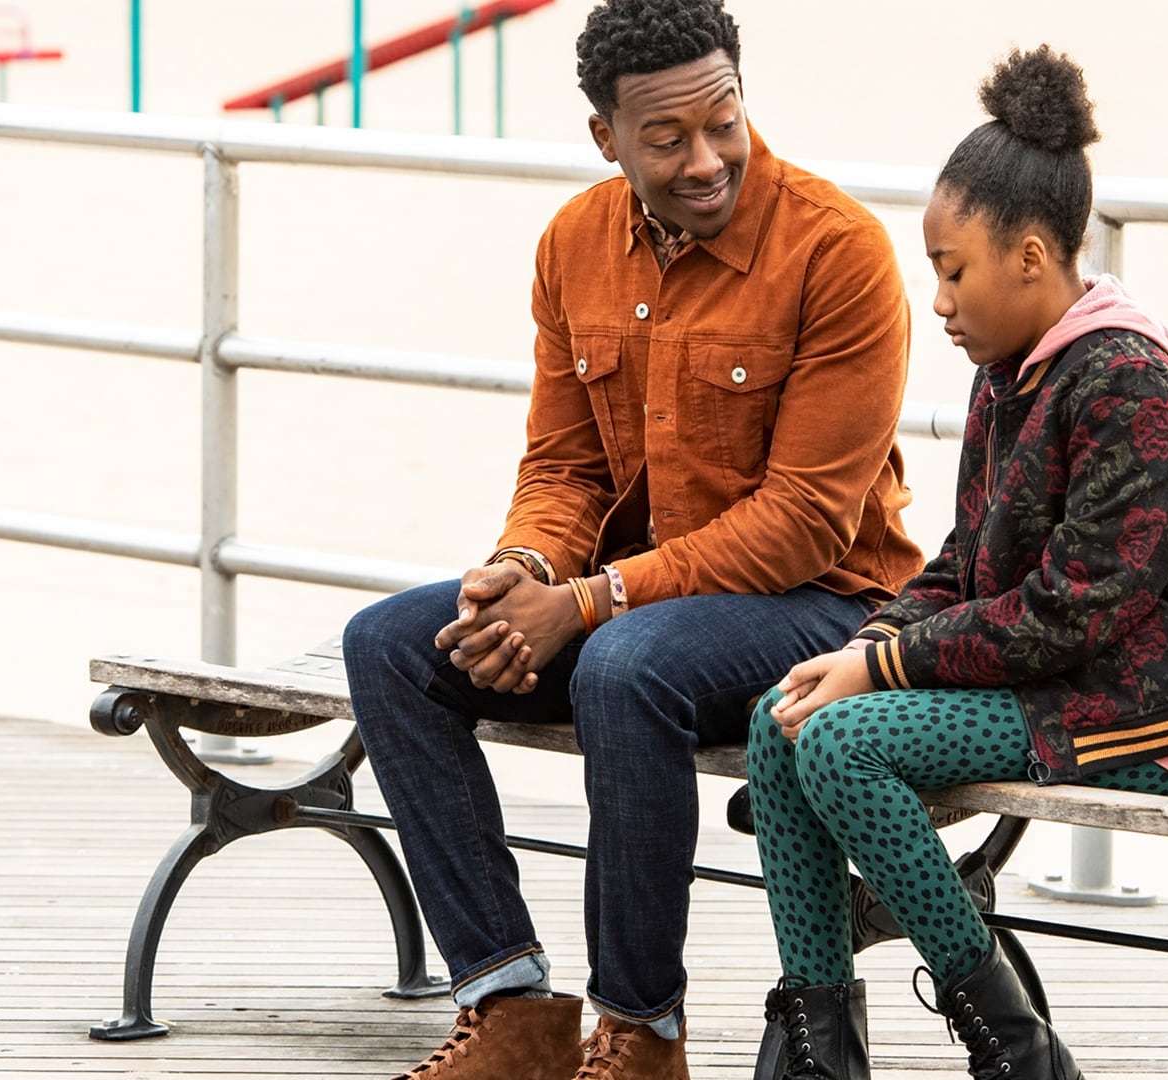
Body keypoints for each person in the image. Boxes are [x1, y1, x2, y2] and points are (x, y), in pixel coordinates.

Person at [340, 1, 923, 1077]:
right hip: (630, 596)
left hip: (821, 603)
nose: (706, 160)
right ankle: (509, 1007)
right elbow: (565, 467)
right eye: (666, 138)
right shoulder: (574, 244)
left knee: (622, 666)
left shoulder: (837, 251)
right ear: (607, 137)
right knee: (389, 645)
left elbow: (804, 522)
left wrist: (589, 602)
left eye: (724, 122)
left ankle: (640, 1030)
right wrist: (519, 574)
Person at [744, 46, 1168, 1080]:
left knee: (844, 747)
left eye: (951, 268)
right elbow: (969, 560)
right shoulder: (1008, 372)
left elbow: (1075, 612)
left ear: (1030, 257)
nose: (937, 299)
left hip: (1148, 692)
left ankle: (1016, 1048)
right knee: (779, 721)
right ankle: (817, 1046)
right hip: (1049, 674)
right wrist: (879, 636)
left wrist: (883, 670)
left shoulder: (1128, 385)